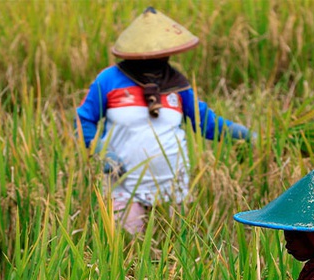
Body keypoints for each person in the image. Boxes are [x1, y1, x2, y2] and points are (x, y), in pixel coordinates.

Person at [76, 6, 255, 234]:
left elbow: (206, 122)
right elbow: (84, 121)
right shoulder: (109, 80)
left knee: (176, 253)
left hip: (173, 187)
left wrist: (245, 135)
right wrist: (100, 151)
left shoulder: (177, 84)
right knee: (128, 252)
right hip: (124, 184)